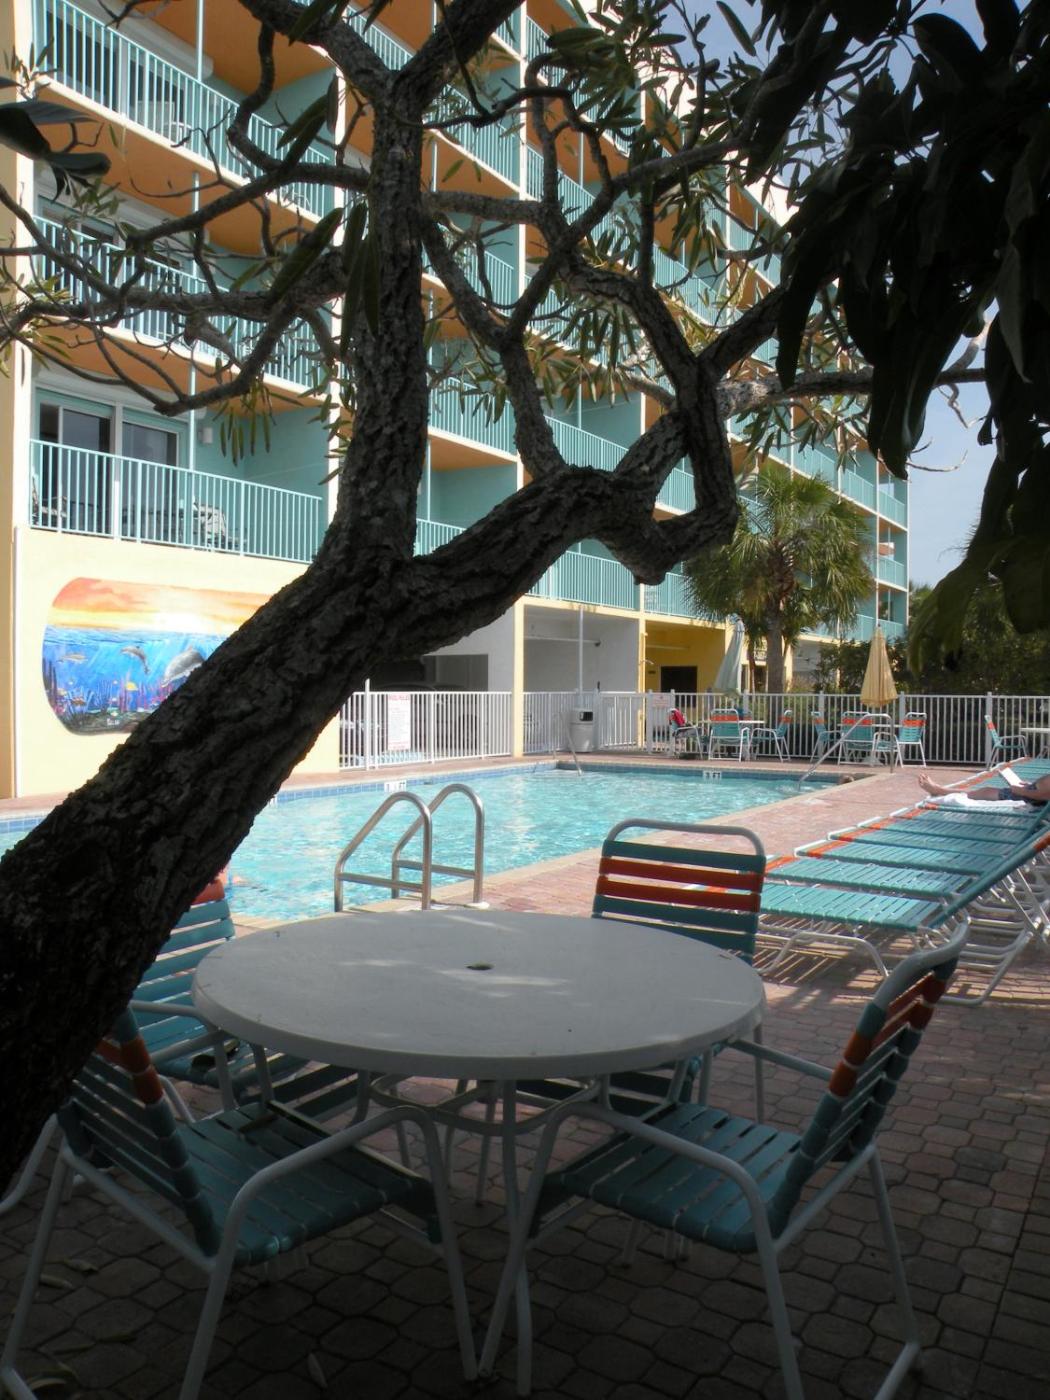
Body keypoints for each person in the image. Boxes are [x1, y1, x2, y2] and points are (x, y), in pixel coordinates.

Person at [918, 771, 1050, 804]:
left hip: (1028, 798)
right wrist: (1029, 785)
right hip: (1030, 794)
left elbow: (1044, 795)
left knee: (984, 791)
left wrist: (1021, 791)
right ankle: (939, 790)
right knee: (984, 790)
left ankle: (939, 790)